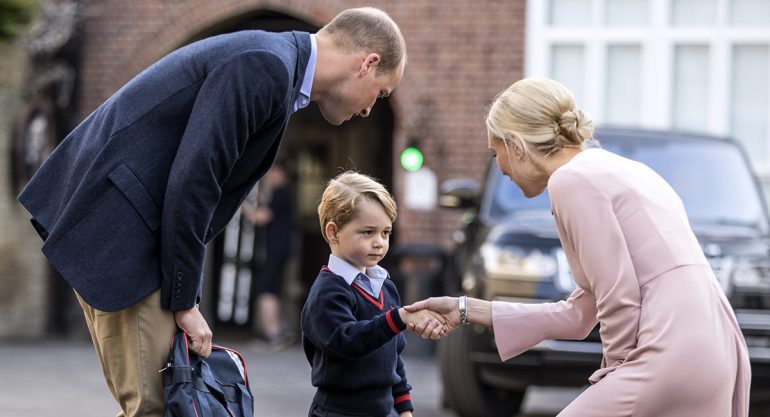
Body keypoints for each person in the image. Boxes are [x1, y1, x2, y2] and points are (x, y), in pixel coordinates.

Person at [16, 7, 406, 417]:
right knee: (161, 406)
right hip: (126, 235)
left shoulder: (273, 62)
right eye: (380, 93)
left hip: (119, 227)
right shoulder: (266, 66)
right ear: (367, 63)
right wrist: (185, 301)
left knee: (159, 405)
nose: (370, 109)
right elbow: (195, 181)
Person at [407, 77, 751, 416]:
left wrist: (613, 375)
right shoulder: (623, 170)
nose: (500, 165)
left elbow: (617, 296)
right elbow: (579, 314)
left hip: (669, 350)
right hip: (715, 346)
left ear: (516, 145)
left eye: (495, 152)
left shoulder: (571, 180)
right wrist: (464, 309)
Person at [301, 171, 446, 417]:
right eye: (368, 232)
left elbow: (393, 358)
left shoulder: (385, 287)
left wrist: (404, 409)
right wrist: (397, 319)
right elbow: (347, 342)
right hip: (339, 411)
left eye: (385, 232)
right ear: (333, 232)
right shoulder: (327, 292)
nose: (379, 242)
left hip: (385, 409)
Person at [240, 161, 294, 346]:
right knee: (271, 289)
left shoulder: (281, 193)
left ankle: (273, 333)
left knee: (265, 289)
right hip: (278, 250)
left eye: (275, 172)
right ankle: (277, 329)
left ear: (284, 175)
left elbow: (261, 217)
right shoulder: (280, 193)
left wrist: (240, 205)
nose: (270, 176)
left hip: (275, 250)